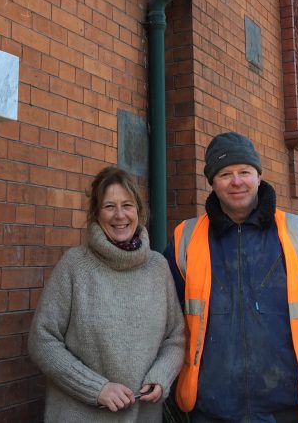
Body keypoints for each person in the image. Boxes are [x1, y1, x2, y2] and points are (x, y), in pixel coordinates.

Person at [163, 132, 298, 423]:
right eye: (224, 174)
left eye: (244, 172)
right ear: (212, 183)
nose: (236, 181)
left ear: (258, 176)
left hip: (289, 411)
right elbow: (166, 322)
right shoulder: (185, 240)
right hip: (210, 411)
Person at [29, 166, 186, 422]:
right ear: (96, 214)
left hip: (142, 415)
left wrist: (162, 376)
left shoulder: (158, 267)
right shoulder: (75, 265)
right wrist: (96, 388)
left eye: (127, 205)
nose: (120, 215)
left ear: (138, 211)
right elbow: (42, 341)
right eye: (109, 206)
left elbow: (175, 338)